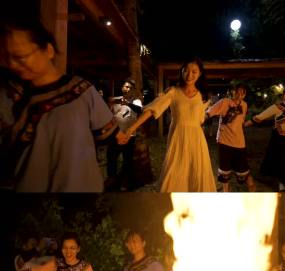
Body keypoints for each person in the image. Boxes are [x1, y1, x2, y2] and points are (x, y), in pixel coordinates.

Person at [2, 19, 123, 192]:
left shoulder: (81, 90)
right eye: (8, 58)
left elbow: (108, 134)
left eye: (21, 57)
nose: (13, 65)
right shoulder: (10, 96)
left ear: (48, 50)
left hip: (80, 191)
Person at [123, 58, 216, 192]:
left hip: (197, 139)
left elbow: (200, 119)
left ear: (200, 73)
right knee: (175, 170)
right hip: (178, 137)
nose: (189, 75)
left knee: (196, 171)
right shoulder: (173, 91)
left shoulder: (203, 96)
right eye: (186, 71)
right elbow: (152, 109)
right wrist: (131, 128)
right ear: (182, 72)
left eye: (194, 71)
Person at [245, 87, 285, 192]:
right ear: (283, 96)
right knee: (282, 162)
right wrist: (242, 124)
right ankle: (282, 183)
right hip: (281, 139)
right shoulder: (277, 107)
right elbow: (260, 117)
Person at [205, 84, 255, 192]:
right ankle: (225, 191)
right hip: (225, 140)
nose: (239, 95)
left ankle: (252, 190)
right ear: (233, 92)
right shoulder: (224, 102)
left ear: (245, 95)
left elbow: (241, 122)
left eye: (242, 93)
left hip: (239, 141)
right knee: (224, 168)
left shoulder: (244, 105)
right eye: (237, 92)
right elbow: (209, 112)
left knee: (243, 167)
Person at [106, 79, 144, 191]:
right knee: (111, 158)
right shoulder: (115, 100)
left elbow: (139, 110)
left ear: (132, 89)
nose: (126, 88)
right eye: (124, 86)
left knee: (127, 160)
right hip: (115, 134)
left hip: (129, 136)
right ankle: (112, 181)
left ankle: (126, 183)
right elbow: (108, 113)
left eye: (128, 87)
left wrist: (127, 103)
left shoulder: (136, 101)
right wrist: (110, 103)